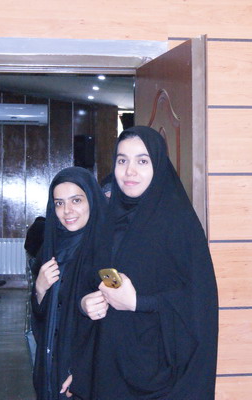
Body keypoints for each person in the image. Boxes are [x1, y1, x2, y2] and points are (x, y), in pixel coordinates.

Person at [78, 126, 219, 399]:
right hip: (108, 364)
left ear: (158, 166)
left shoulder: (179, 223)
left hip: (161, 372)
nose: (129, 171)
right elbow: (85, 278)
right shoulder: (105, 221)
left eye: (142, 161)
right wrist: (85, 303)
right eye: (122, 160)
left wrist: (138, 303)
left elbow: (198, 301)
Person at [31, 167, 106, 400]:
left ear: (92, 200)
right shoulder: (52, 248)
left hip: (88, 372)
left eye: (76, 200)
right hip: (53, 364)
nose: (67, 211)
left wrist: (83, 371)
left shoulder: (107, 250)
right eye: (59, 203)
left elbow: (116, 325)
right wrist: (40, 290)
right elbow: (46, 319)